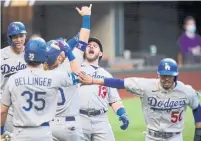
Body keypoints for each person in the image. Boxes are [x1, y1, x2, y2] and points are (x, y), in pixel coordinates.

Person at [79, 58, 201, 141]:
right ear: (158, 75)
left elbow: (196, 107)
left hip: (175, 138)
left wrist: (199, 130)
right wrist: (94, 81)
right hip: (152, 138)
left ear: (175, 76)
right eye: (163, 75)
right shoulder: (146, 86)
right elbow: (120, 83)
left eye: (169, 76)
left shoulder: (186, 91)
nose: (166, 79)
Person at [0, 37, 80, 141]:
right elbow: (78, 75)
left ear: (25, 55)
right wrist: (68, 51)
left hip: (20, 133)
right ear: (44, 56)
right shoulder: (54, 76)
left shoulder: (13, 78)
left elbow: (2, 111)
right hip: (43, 133)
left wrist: (1, 131)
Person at [44, 4, 92, 141]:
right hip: (69, 124)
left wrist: (64, 47)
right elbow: (83, 40)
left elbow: (56, 53)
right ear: (60, 56)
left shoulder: (40, 71)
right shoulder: (69, 65)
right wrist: (86, 17)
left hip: (48, 125)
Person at [78, 37, 129, 141]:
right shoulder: (77, 70)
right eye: (88, 45)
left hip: (101, 120)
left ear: (100, 53)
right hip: (80, 118)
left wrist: (122, 113)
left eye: (95, 46)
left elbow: (114, 100)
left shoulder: (107, 75)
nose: (91, 46)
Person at [1, 22, 28, 133]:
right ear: (9, 38)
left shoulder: (31, 53)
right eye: (14, 36)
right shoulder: (1, 55)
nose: (18, 39)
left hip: (26, 105)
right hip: (5, 105)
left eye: (21, 36)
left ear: (25, 36)